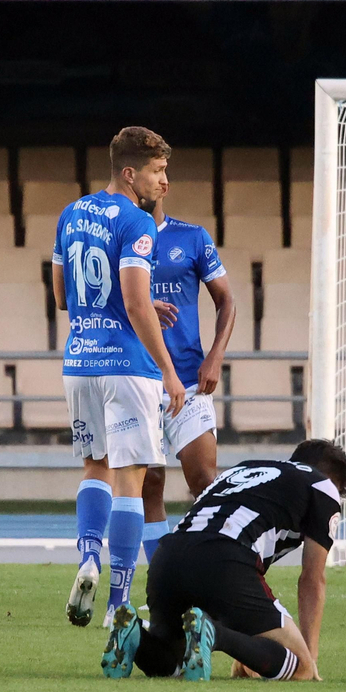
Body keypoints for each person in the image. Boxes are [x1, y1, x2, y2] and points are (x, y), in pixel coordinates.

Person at [54, 126, 186, 629]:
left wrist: (124, 302)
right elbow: (133, 301)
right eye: (157, 171)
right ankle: (118, 603)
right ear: (130, 173)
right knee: (132, 480)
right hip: (127, 366)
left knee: (95, 468)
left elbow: (65, 296)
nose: (164, 182)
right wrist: (171, 375)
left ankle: (88, 556)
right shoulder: (137, 222)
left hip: (80, 361)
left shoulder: (71, 213)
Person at [101, 440, 346, 683]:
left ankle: (135, 635)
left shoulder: (243, 469)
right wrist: (309, 659)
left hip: (168, 557)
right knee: (301, 666)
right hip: (225, 558)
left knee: (170, 661)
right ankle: (214, 634)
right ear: (333, 481)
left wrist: (251, 646)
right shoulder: (323, 486)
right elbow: (312, 579)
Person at [140, 179, 236, 563]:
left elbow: (226, 299)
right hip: (139, 380)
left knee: (205, 483)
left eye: (162, 173)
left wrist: (215, 355)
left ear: (165, 187)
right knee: (150, 484)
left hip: (190, 383)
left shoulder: (192, 237)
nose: (158, 180)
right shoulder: (118, 241)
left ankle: (213, 576)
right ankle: (160, 583)